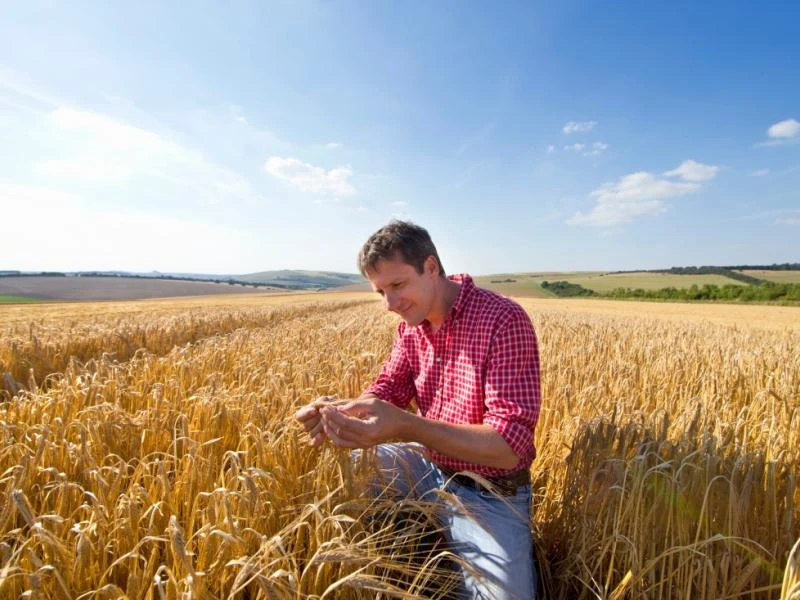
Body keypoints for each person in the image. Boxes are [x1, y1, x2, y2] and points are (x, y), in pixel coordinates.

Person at [294, 220, 541, 599]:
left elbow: (509, 445)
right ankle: (402, 543)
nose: (390, 304)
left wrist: (407, 427)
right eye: (380, 292)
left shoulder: (502, 320)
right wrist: (340, 415)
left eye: (397, 285)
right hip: (426, 466)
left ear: (430, 267)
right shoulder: (411, 327)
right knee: (341, 473)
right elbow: (388, 389)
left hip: (490, 492)